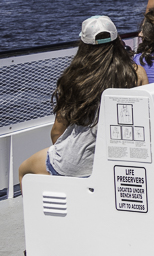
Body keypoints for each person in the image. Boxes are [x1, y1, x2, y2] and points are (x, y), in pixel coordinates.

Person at [19, 17, 147, 183]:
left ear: (84, 45)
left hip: (77, 162)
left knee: (24, 171)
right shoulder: (137, 73)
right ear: (118, 41)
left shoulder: (76, 77)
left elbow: (57, 132)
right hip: (120, 160)